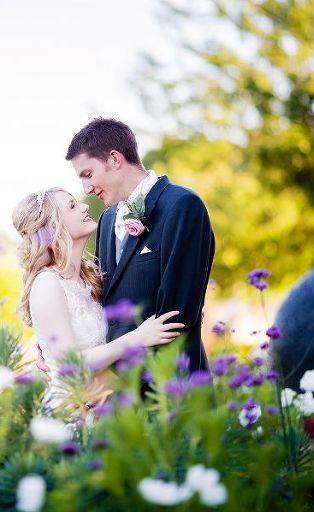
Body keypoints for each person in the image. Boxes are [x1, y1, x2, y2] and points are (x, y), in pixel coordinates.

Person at [62, 118, 215, 373]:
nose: (87, 189)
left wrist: (113, 382)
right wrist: (60, 345)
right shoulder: (107, 220)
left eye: (88, 174)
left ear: (114, 159)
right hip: (118, 400)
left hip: (173, 389)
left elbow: (175, 319)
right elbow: (101, 308)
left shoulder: (183, 206)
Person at [13, 188, 184, 409]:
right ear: (53, 226)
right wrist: (137, 338)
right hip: (75, 412)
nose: (85, 207)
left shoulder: (91, 277)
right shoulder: (47, 284)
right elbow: (70, 366)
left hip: (107, 404)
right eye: (72, 206)